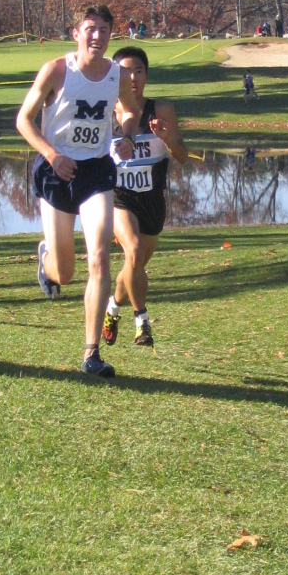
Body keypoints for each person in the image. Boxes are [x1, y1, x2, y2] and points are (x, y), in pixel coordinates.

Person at [16, 3, 139, 378]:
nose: (97, 36)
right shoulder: (56, 71)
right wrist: (53, 155)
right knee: (65, 273)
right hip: (57, 173)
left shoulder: (116, 75)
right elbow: (23, 120)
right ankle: (47, 258)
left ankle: (91, 354)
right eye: (90, 28)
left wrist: (129, 137)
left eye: (104, 29)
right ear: (76, 33)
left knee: (100, 257)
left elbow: (129, 112)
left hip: (96, 173)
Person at [102, 46, 188, 349]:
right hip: (119, 199)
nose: (133, 78)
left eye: (139, 71)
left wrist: (165, 137)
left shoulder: (161, 110)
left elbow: (182, 155)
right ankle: (142, 322)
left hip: (152, 201)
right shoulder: (104, 112)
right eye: (126, 72)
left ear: (147, 75)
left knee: (133, 265)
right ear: (115, 77)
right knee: (134, 250)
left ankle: (112, 308)